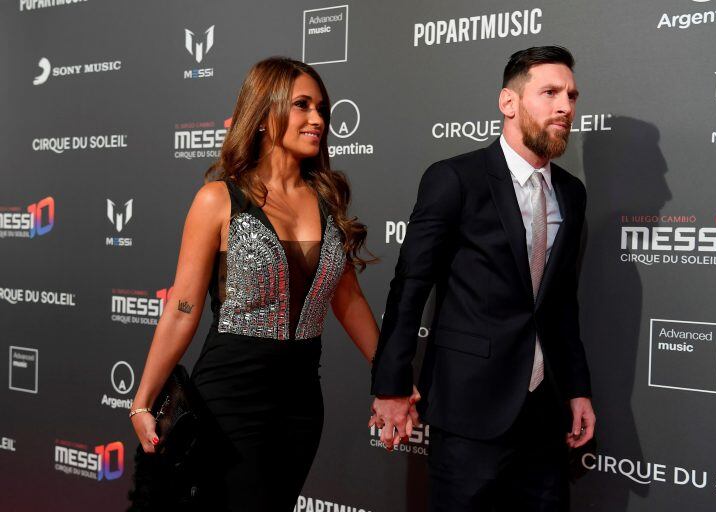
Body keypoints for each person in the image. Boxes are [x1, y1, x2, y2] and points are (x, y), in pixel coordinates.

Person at [128, 57, 409, 511]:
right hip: (230, 398)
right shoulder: (218, 199)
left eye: (321, 108)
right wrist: (143, 400)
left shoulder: (325, 199)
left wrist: (389, 377)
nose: (317, 119)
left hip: (301, 403)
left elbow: (349, 299)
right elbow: (182, 307)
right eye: (302, 105)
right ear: (262, 115)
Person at [370, 46, 596, 511]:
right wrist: (390, 386)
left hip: (543, 414)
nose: (565, 107)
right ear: (507, 102)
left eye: (571, 95)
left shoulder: (572, 194)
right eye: (550, 92)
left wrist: (577, 389)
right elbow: (409, 287)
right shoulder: (455, 179)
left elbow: (560, 304)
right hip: (469, 409)